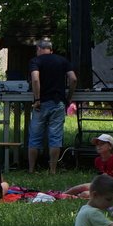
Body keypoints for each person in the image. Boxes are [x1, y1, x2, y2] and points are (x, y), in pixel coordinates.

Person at [27, 38, 76, 174]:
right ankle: (53, 170)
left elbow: (35, 79)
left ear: (39, 49)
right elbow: (73, 79)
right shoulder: (62, 60)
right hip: (58, 102)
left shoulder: (35, 61)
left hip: (41, 103)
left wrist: (37, 98)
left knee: (35, 137)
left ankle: (31, 169)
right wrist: (69, 97)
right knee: (55, 137)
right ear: (51, 49)